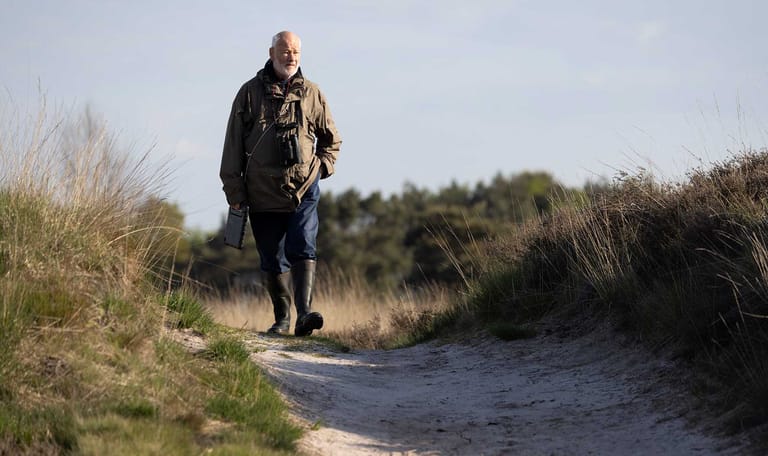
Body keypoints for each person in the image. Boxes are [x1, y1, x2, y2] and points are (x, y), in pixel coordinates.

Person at [220, 31, 341, 336]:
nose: (291, 57)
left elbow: (332, 140)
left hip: (303, 189)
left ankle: (305, 315)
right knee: (272, 256)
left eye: (296, 52)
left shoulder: (313, 93)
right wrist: (235, 192)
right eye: (285, 51)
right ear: (272, 52)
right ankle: (282, 319)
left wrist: (321, 167)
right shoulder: (248, 93)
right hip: (261, 193)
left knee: (303, 245)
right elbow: (232, 145)